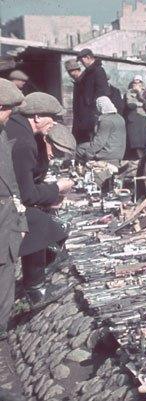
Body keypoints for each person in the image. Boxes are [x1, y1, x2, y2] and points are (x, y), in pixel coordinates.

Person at [5, 92, 75, 308]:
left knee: (41, 221)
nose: (53, 123)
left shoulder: (19, 130)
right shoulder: (25, 142)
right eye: (51, 118)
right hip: (5, 203)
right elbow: (26, 194)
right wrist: (56, 189)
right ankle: (36, 290)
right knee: (39, 223)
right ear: (36, 117)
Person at [0, 79, 28, 342]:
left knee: (6, 271)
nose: (10, 117)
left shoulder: (3, 135)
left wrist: (20, 222)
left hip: (7, 218)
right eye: (7, 110)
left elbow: (13, 186)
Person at [76, 96, 126, 162]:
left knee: (79, 148)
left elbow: (99, 142)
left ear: (99, 107)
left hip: (108, 153)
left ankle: (88, 167)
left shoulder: (106, 121)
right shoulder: (120, 117)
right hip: (119, 153)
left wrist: (88, 154)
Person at [75, 48, 109, 144]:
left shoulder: (98, 71)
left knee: (93, 138)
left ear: (88, 57)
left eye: (82, 61)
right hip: (87, 111)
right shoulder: (88, 72)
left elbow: (103, 91)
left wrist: (94, 105)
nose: (82, 63)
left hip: (93, 112)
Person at [124, 75, 146, 159]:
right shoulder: (129, 92)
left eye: (138, 82)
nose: (136, 83)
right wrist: (141, 104)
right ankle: (140, 158)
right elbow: (130, 104)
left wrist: (139, 94)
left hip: (144, 117)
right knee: (136, 142)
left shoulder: (145, 92)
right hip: (134, 119)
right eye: (134, 82)